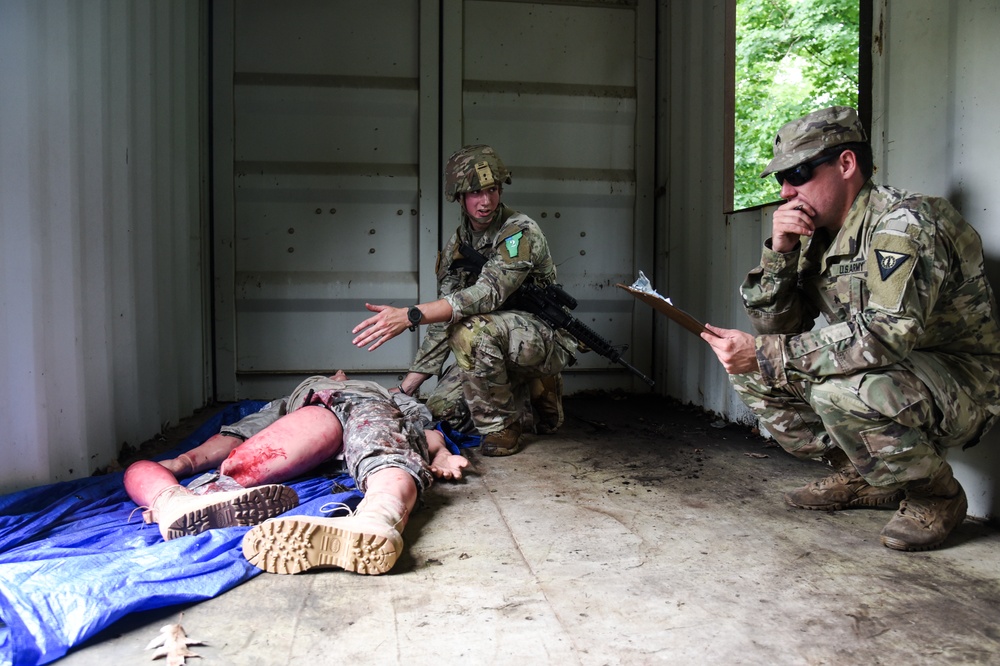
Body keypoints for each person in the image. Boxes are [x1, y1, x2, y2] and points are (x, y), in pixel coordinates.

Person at [702, 106, 1000, 552]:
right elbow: (780, 326)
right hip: (891, 374)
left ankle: (936, 496)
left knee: (833, 386)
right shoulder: (818, 234)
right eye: (780, 179)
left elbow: (884, 336)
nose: (786, 191)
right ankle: (865, 474)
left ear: (846, 164)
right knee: (751, 369)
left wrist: (770, 353)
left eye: (798, 173)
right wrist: (780, 254)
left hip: (964, 384)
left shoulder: (904, 223)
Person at [351, 144, 578, 456]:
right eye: (475, 192)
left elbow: (486, 294)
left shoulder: (518, 233)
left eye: (493, 190)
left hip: (540, 338)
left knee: (471, 332)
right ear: (459, 196)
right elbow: (445, 316)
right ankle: (525, 394)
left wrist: (412, 315)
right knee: (442, 410)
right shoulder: (459, 244)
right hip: (496, 340)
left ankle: (503, 425)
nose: (485, 201)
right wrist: (407, 389)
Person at [124, 372, 468, 575]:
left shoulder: (290, 402)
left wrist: (184, 464)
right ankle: (379, 518)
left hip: (312, 427)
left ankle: (175, 501)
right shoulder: (372, 394)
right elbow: (420, 435)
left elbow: (232, 441)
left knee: (234, 474)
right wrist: (440, 451)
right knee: (385, 458)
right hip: (337, 419)